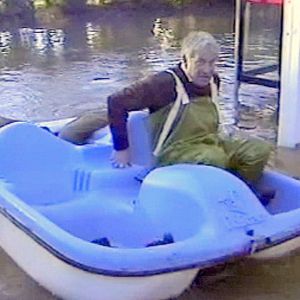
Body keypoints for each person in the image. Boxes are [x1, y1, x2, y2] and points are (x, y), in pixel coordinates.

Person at [60, 31, 274, 201]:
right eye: (200, 62)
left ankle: (238, 192)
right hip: (174, 150)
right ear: (184, 59)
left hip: (209, 141)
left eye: (212, 62)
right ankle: (220, 196)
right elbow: (115, 102)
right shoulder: (164, 83)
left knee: (259, 150)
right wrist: (121, 148)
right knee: (214, 159)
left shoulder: (213, 81)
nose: (207, 70)